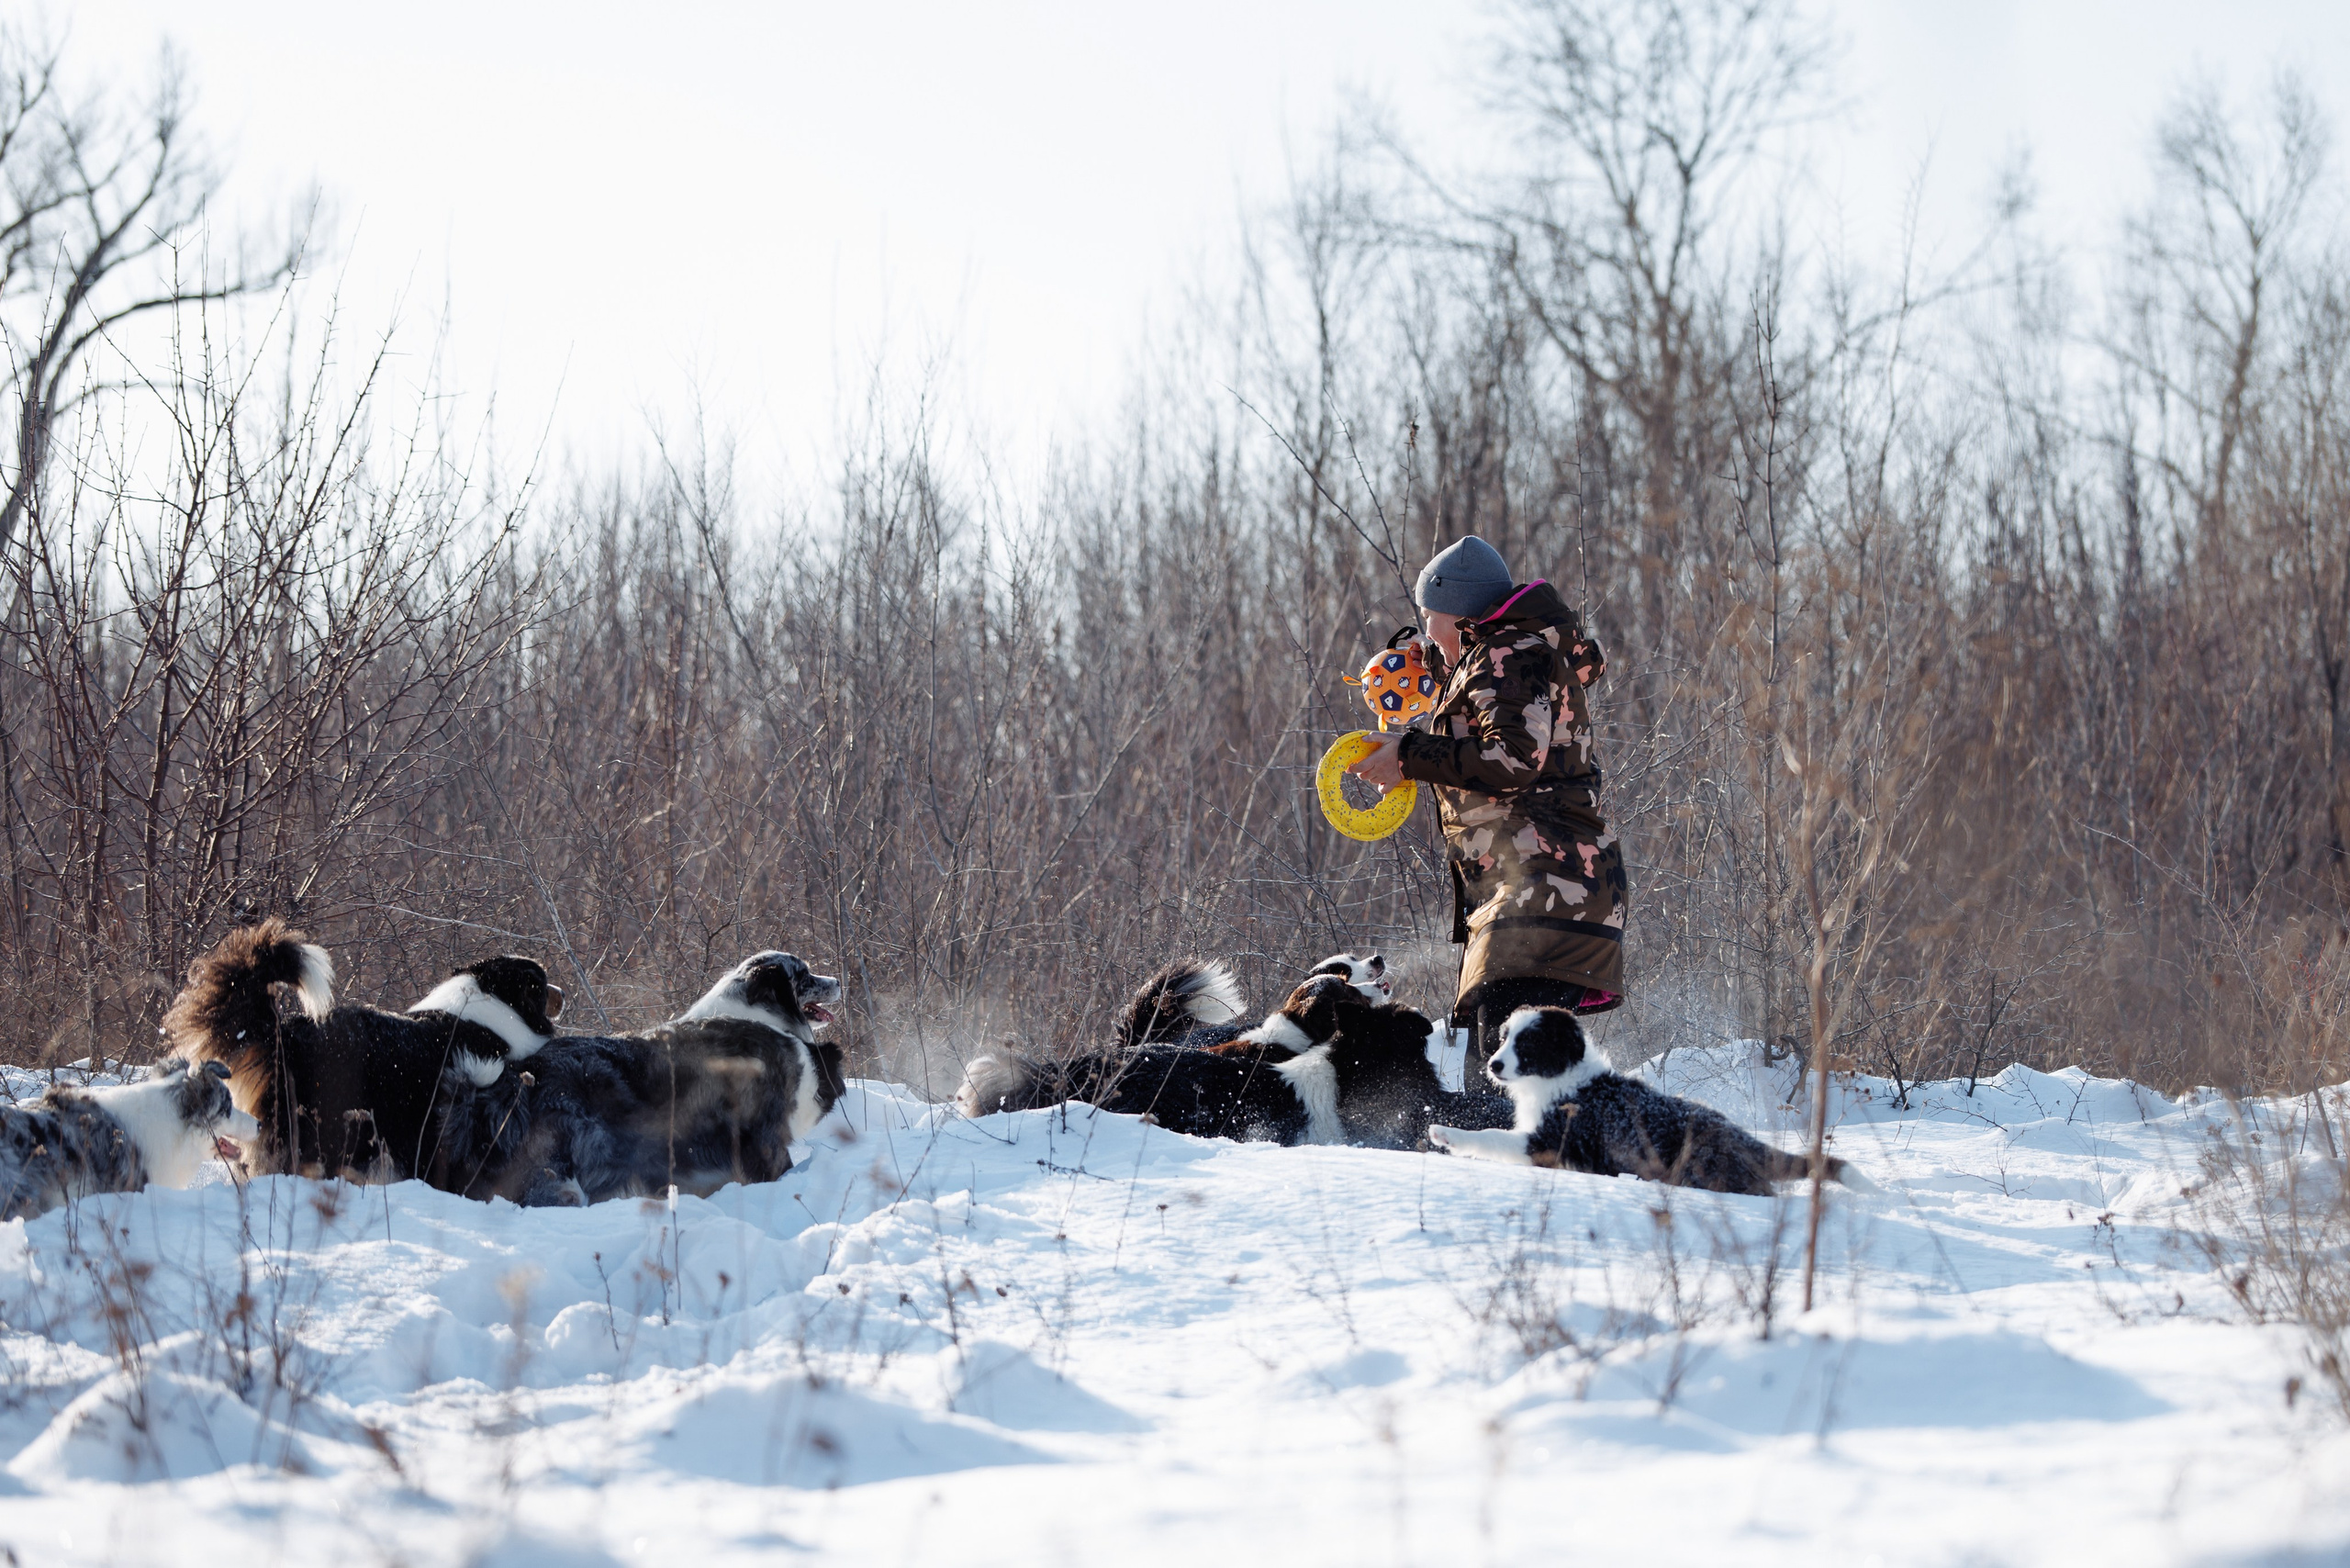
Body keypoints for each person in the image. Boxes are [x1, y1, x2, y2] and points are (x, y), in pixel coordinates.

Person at [1346, 535, 1627, 1062]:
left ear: (1459, 614)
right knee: (1509, 1092)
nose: (1426, 629)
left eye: (1430, 617)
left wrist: (1408, 753)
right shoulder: (1509, 651)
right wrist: (1431, 668)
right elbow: (1495, 708)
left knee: (1497, 1098)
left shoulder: (1506, 653)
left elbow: (1514, 759)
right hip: (1542, 896)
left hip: (1542, 895)